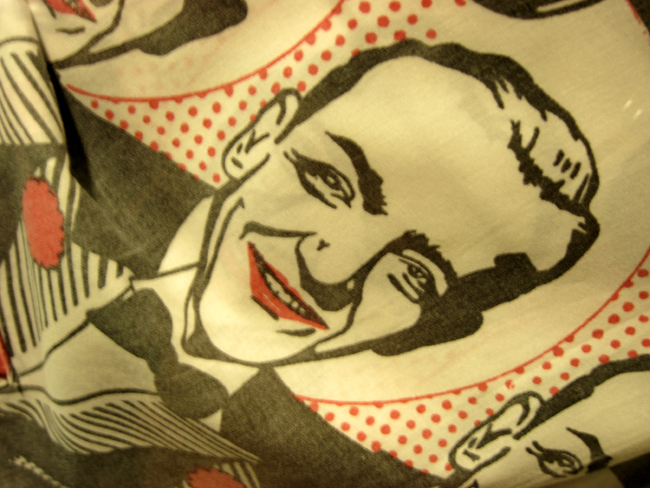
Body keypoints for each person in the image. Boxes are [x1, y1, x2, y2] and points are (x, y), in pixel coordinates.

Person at [81, 39, 601, 487]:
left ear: (421, 334)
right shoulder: (61, 158)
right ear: (258, 138)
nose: (329, 275)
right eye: (329, 182)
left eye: (414, 276)